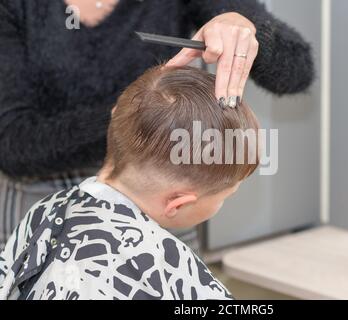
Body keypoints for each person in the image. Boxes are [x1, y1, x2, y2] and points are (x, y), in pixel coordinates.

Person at [0, 0, 315, 251]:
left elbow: (298, 71)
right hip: (43, 200)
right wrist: (136, 117)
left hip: (164, 189)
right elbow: (13, 143)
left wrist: (248, 29)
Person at [0, 65, 260, 300]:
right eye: (225, 197)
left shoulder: (44, 211)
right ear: (177, 203)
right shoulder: (166, 266)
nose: (223, 203)